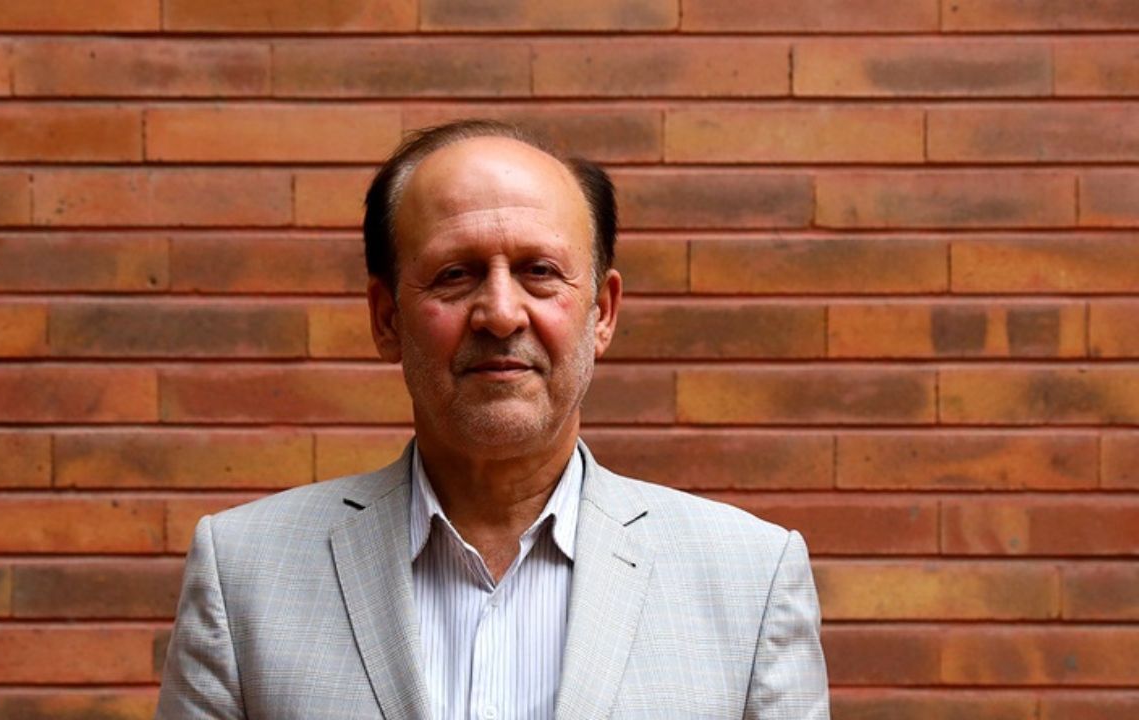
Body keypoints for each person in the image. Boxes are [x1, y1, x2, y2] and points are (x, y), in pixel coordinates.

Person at [155, 120, 829, 719]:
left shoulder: (749, 580)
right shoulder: (244, 574)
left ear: (602, 313)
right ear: (387, 319)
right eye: (455, 273)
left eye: (540, 271)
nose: (501, 314)